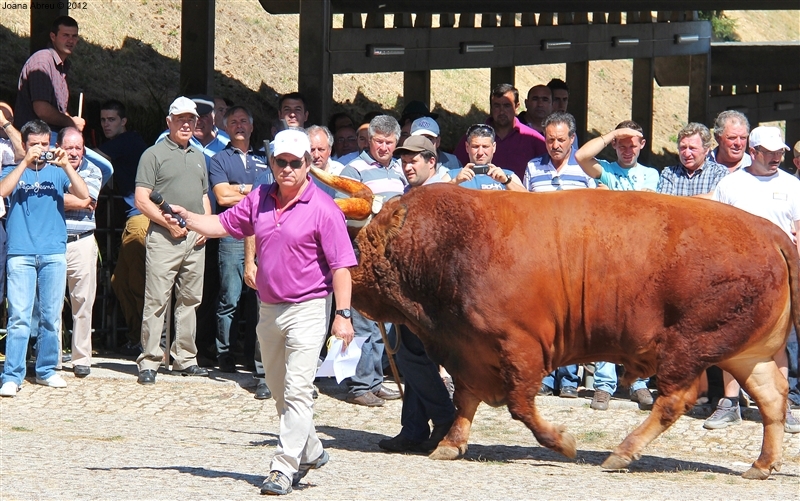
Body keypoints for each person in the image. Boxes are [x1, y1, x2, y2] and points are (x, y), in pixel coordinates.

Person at [161, 128, 356, 495]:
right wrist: (186, 216)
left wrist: (342, 315)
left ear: (309, 164)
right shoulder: (260, 199)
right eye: (279, 162)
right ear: (270, 163)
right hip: (269, 307)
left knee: (298, 390)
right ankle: (311, 448)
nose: (286, 169)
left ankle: (283, 467)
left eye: (294, 163)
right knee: (281, 392)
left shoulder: (324, 210)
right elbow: (221, 224)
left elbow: (342, 266)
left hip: (309, 308)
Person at [706, 126, 800, 434]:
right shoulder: (731, 184)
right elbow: (716, 231)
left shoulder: (793, 185)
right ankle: (730, 403)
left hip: (781, 276)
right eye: (769, 152)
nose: (776, 157)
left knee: (778, 341)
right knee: (734, 338)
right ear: (753, 152)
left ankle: (782, 403)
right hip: (738, 275)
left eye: (780, 152)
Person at [574, 120, 660, 410]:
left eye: (632, 144)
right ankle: (603, 385)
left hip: (641, 257)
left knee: (640, 323)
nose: (627, 150)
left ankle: (638, 382)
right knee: (606, 321)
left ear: (642, 145)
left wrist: (608, 197)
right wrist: (612, 134)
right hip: (608, 256)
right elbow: (581, 157)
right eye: (621, 145)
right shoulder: (608, 170)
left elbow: (644, 203)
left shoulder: (651, 174)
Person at [378, 135, 456, 453]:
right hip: (412, 290)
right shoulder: (409, 195)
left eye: (414, 160)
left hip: (434, 294)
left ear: (431, 161)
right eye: (404, 160)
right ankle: (413, 428)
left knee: (411, 355)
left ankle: (444, 416)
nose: (407, 165)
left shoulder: (444, 196)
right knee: (413, 354)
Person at [0, 119, 89, 397]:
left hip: (53, 251)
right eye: (33, 145)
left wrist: (65, 166)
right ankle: (12, 374)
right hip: (21, 252)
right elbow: (2, 191)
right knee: (19, 317)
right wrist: (24, 163)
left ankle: (46, 370)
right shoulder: (12, 170)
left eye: (44, 144)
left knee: (51, 317)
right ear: (24, 145)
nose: (39, 150)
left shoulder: (57, 172)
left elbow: (84, 195)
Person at [133, 96, 211, 385]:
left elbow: (204, 197)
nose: (187, 124)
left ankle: (185, 358)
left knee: (191, 299)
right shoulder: (152, 155)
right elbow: (142, 199)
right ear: (169, 122)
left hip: (195, 237)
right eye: (181, 119)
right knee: (156, 299)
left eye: (191, 119)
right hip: (165, 237)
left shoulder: (199, 156)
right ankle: (150, 360)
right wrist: (167, 222)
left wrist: (206, 224)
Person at [338, 115, 405, 406]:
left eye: (390, 143)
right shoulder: (353, 169)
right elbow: (343, 211)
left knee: (384, 318)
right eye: (379, 141)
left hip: (391, 256)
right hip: (361, 251)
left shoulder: (400, 171)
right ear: (369, 139)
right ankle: (359, 385)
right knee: (364, 321)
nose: (384, 147)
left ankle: (376, 380)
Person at [209, 106, 269, 379]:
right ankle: (225, 354)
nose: (239, 126)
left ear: (252, 126)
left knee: (259, 300)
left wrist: (240, 190)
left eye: (244, 121)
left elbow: (273, 191)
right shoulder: (220, 159)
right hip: (232, 233)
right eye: (233, 122)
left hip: (265, 235)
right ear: (225, 127)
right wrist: (254, 191)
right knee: (230, 297)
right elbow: (222, 197)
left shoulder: (265, 158)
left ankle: (253, 355)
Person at [99, 100, 149, 354]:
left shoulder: (127, 141)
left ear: (123, 122)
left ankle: (145, 340)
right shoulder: (126, 143)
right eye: (103, 120)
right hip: (134, 217)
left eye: (112, 120)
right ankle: (137, 337)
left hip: (140, 218)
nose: (106, 124)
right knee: (121, 281)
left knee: (135, 281)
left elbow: (93, 157)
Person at [57, 127, 104, 378]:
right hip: (53, 242)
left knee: (83, 303)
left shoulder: (93, 171)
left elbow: (89, 200)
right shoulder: (48, 168)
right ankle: (51, 357)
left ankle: (81, 358)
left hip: (82, 242)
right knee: (52, 305)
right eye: (69, 147)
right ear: (59, 147)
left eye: (78, 147)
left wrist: (64, 196)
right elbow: (77, 200)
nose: (74, 153)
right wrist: (79, 198)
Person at [454, 83, 546, 180]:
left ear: (517, 106)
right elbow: (455, 167)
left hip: (519, 193)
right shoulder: (474, 137)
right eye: (497, 106)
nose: (502, 111)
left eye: (507, 106)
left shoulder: (533, 138)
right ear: (491, 107)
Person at [14, 16, 85, 134]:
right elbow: (42, 110)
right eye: (65, 35)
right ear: (53, 37)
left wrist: (71, 121)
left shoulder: (62, 65)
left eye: (74, 36)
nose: (70, 40)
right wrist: (70, 122)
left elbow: (59, 110)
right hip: (36, 139)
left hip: (51, 135)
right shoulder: (42, 62)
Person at [523, 112, 595, 192]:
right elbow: (526, 201)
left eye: (561, 140)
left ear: (572, 138)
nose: (555, 146)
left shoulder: (587, 165)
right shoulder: (533, 166)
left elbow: (596, 199)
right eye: (551, 140)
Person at [657, 123, 728, 198]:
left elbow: (715, 199)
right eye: (683, 147)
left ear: (706, 150)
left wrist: (682, 202)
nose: (687, 154)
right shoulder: (669, 173)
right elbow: (664, 202)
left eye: (692, 148)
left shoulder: (719, 172)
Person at [449, 124, 523, 191]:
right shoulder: (453, 175)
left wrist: (506, 181)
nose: (480, 152)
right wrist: (455, 182)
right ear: (467, 147)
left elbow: (529, 200)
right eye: (475, 147)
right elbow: (437, 196)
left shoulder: (507, 175)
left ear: (494, 147)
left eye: (485, 147)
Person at [307, 125, 345, 198]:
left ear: (329, 150)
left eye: (321, 150)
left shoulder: (340, 171)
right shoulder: (301, 174)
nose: (316, 155)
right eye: (312, 150)